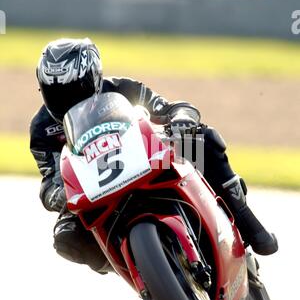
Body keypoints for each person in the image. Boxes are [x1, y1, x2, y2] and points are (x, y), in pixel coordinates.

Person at [30, 37, 278, 274]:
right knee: (66, 236)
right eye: (56, 94)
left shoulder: (122, 89)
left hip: (147, 160)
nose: (67, 102)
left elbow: (173, 109)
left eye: (75, 91)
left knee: (204, 140)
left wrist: (182, 119)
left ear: (94, 79)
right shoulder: (42, 128)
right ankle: (134, 268)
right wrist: (56, 194)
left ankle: (246, 221)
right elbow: (51, 177)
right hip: (97, 189)